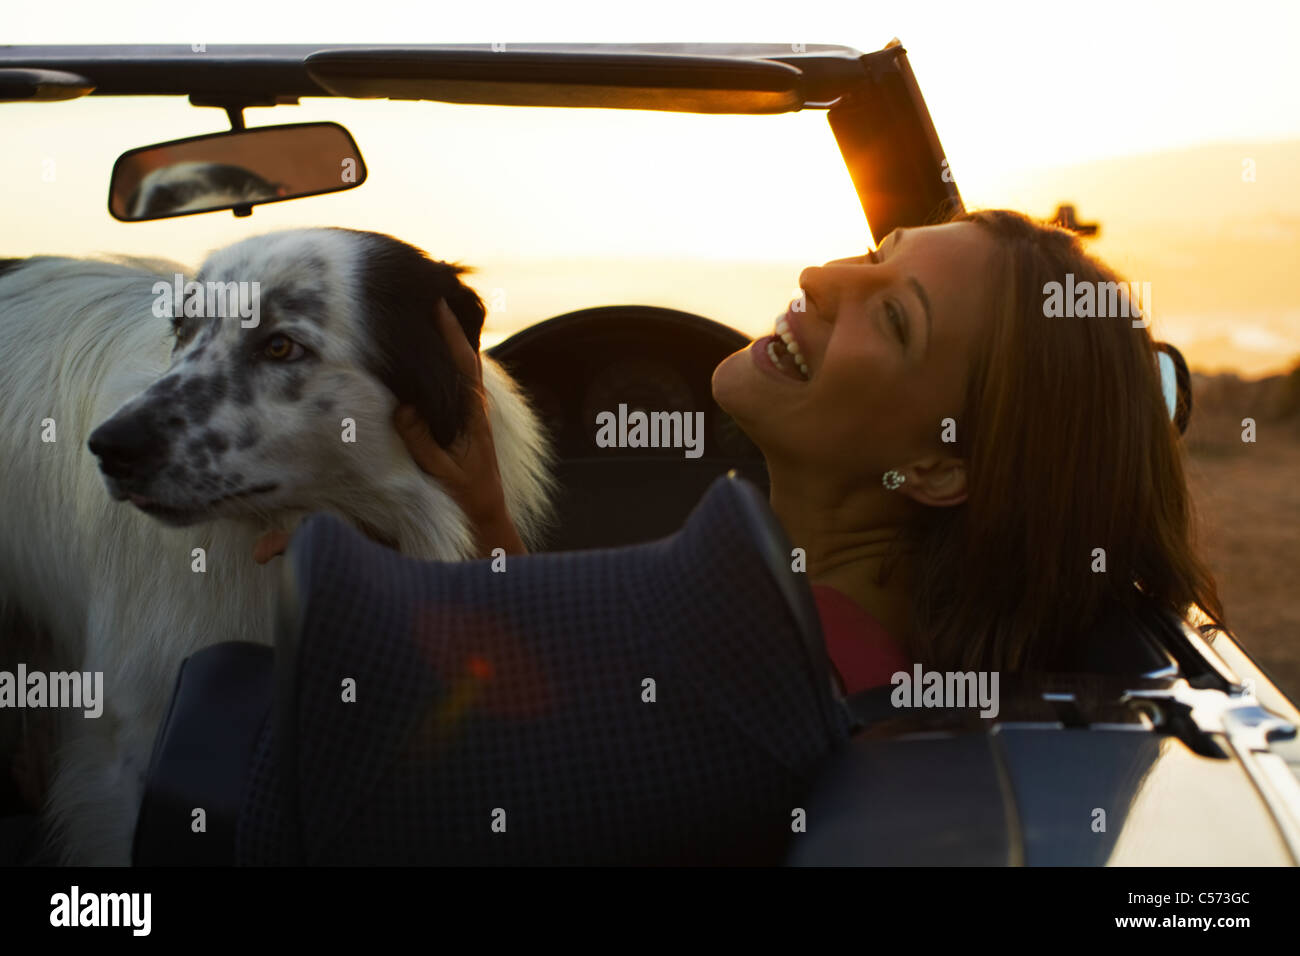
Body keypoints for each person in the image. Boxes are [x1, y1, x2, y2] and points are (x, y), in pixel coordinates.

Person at [256, 209, 1226, 691]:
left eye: (891, 314)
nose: (824, 272)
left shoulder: (744, 655)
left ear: (935, 467)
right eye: (879, 245)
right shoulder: (849, 655)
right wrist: (476, 520)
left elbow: (517, 740)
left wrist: (353, 567)